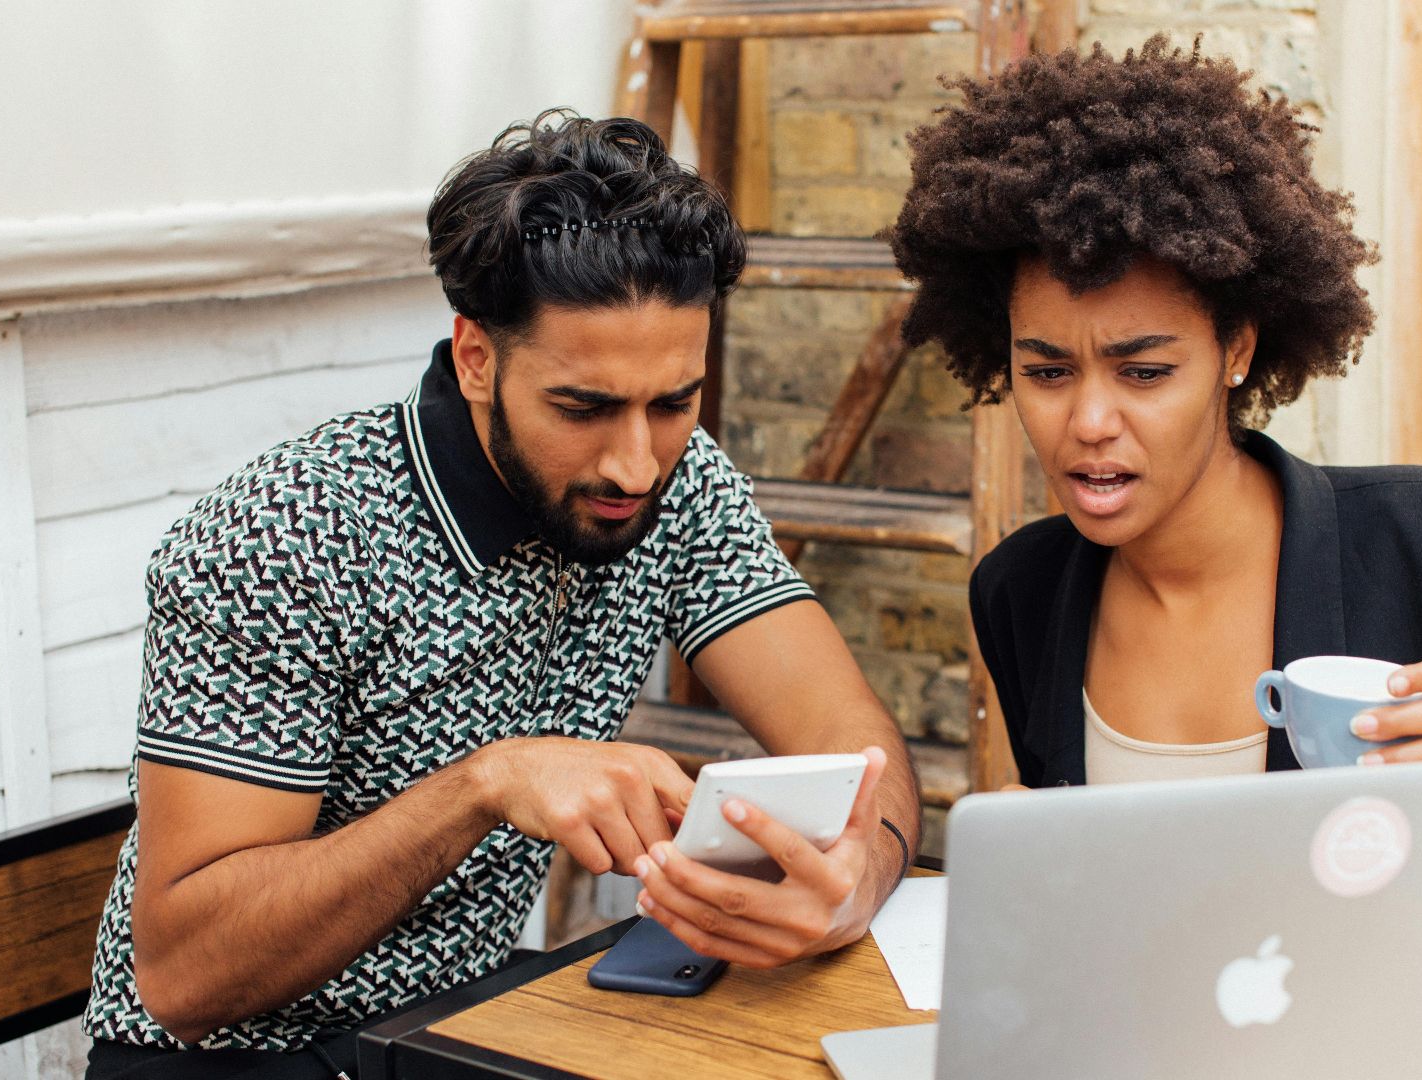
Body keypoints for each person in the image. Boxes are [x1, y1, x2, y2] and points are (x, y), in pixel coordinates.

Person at [82, 110, 921, 1078]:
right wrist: (488, 783)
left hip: (465, 1028)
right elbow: (188, 978)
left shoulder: (684, 486)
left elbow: (855, 744)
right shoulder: (288, 535)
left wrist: (860, 875)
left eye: (676, 402)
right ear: (477, 358)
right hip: (238, 1060)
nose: (637, 464)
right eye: (585, 407)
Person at [889, 39, 1422, 974]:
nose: (1087, 421)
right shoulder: (1022, 591)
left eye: (1144, 371)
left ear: (1238, 350)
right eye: (1046, 371)